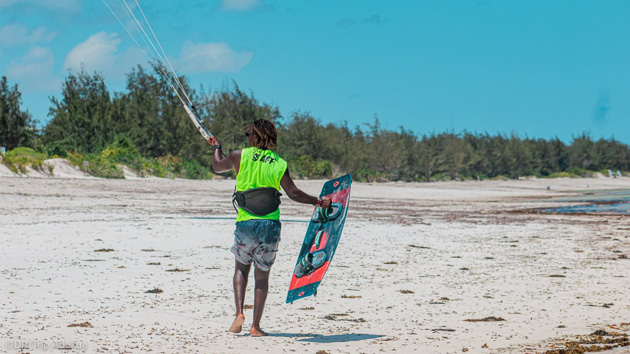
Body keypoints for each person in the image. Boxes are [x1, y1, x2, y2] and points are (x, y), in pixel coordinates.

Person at [209, 119, 331, 337]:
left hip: (246, 222)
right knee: (262, 276)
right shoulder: (279, 163)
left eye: (248, 134)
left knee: (240, 268)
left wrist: (217, 147)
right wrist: (318, 201)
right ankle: (255, 327)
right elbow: (294, 194)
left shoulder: (240, 155)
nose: (246, 137)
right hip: (270, 225)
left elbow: (217, 167)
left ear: (254, 136)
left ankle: (239, 313)